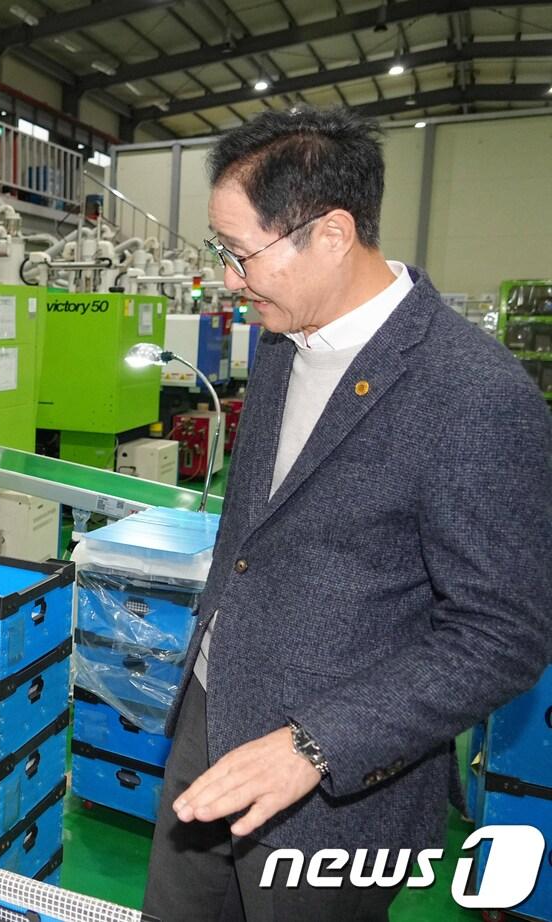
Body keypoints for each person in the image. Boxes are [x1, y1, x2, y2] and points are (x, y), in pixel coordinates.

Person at [143, 106, 552, 921]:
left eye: (240, 252)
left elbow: (504, 632)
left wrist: (314, 744)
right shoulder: (282, 341)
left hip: (337, 787)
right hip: (211, 721)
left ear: (330, 235)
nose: (229, 278)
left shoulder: (473, 395)